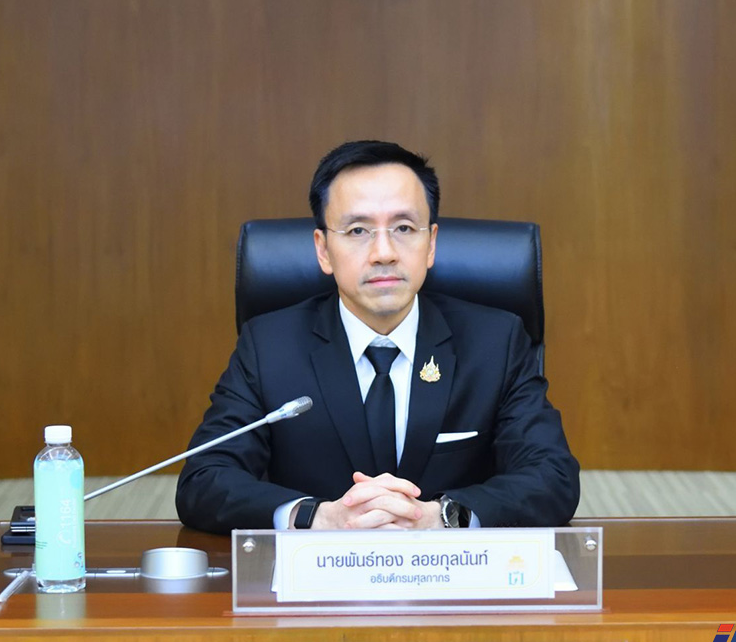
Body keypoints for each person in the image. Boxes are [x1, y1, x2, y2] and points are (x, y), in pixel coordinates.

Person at [176, 141, 580, 532]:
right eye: (358, 230)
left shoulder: (495, 342)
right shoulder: (269, 346)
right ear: (323, 250)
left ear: (431, 243)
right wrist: (315, 518)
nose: (384, 252)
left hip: (451, 568)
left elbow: (553, 476)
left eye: (403, 227)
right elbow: (204, 479)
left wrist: (443, 517)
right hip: (318, 572)